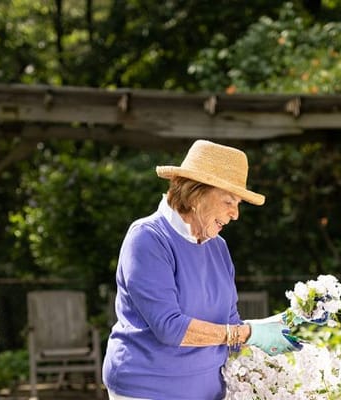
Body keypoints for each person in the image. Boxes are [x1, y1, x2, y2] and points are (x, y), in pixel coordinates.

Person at [102, 140, 299, 400]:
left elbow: (229, 325)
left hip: (208, 391)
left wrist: (281, 322)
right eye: (229, 201)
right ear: (196, 194)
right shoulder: (148, 238)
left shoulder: (219, 247)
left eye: (238, 203)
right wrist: (247, 333)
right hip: (147, 390)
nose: (235, 214)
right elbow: (170, 328)